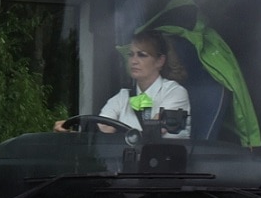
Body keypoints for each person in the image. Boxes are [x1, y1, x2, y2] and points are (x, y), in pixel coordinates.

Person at [58, 31, 191, 137]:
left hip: (167, 168)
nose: (134, 61)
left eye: (142, 55)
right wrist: (72, 131)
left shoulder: (175, 92)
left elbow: (155, 132)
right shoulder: (122, 97)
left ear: (160, 61)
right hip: (127, 169)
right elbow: (101, 128)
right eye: (131, 55)